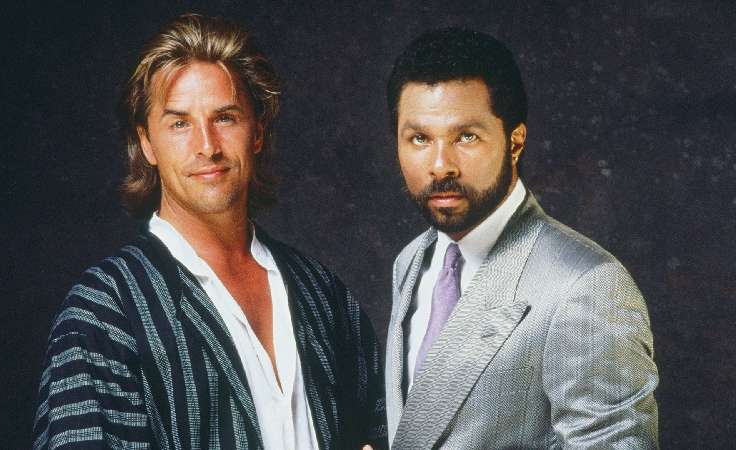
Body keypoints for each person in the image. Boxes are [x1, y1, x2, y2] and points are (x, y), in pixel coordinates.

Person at [33, 13, 386, 450]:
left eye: (225, 117)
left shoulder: (322, 294)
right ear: (147, 143)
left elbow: (385, 430)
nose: (207, 146)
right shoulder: (105, 311)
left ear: (257, 131)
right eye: (179, 123)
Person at [384, 28, 659, 449]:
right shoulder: (411, 261)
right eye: (419, 138)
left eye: (466, 137)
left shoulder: (587, 286)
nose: (441, 165)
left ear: (515, 143)